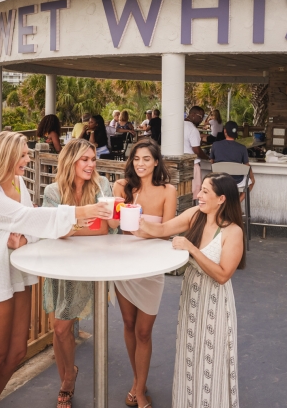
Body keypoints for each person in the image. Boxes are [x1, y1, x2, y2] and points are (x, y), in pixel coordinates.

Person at [0, 131, 107, 408]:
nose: (28, 159)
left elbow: (32, 226)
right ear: (6, 156)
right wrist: (84, 212)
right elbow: (27, 217)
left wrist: (25, 238)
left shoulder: (18, 183)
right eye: (23, 155)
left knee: (16, 353)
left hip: (17, 273)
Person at [135, 173, 246, 408]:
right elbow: (163, 228)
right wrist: (137, 222)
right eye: (201, 190)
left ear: (222, 199)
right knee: (189, 356)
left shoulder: (233, 232)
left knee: (212, 361)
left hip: (215, 303)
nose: (199, 195)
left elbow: (223, 275)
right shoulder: (196, 216)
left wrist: (191, 248)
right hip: (192, 299)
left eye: (205, 192)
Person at [42, 138, 119, 408]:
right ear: (70, 161)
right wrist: (75, 224)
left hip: (88, 262)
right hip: (59, 263)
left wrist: (70, 225)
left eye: (93, 159)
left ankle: (67, 381)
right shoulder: (52, 191)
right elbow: (51, 229)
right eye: (84, 159)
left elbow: (103, 229)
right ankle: (68, 374)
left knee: (62, 325)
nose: (90, 164)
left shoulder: (102, 186)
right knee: (59, 326)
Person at [112, 140, 177, 408]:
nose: (140, 164)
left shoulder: (168, 191)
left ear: (156, 162)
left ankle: (139, 390)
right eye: (136, 158)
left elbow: (169, 231)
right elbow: (113, 224)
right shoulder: (121, 187)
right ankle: (139, 382)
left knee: (143, 331)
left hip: (151, 266)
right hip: (124, 264)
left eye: (146, 159)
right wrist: (114, 213)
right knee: (128, 324)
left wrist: (144, 228)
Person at [210, 120, 255, 197]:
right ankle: (237, 203)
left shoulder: (215, 145)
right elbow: (247, 165)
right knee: (251, 182)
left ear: (225, 131)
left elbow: (212, 162)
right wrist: (252, 178)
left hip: (219, 181)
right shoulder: (242, 148)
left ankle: (223, 205)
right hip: (236, 181)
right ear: (236, 133)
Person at [185, 106, 210, 199]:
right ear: (193, 114)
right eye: (201, 116)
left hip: (180, 165)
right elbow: (197, 150)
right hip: (192, 165)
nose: (202, 120)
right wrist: (207, 157)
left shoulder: (178, 126)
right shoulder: (193, 129)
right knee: (194, 194)